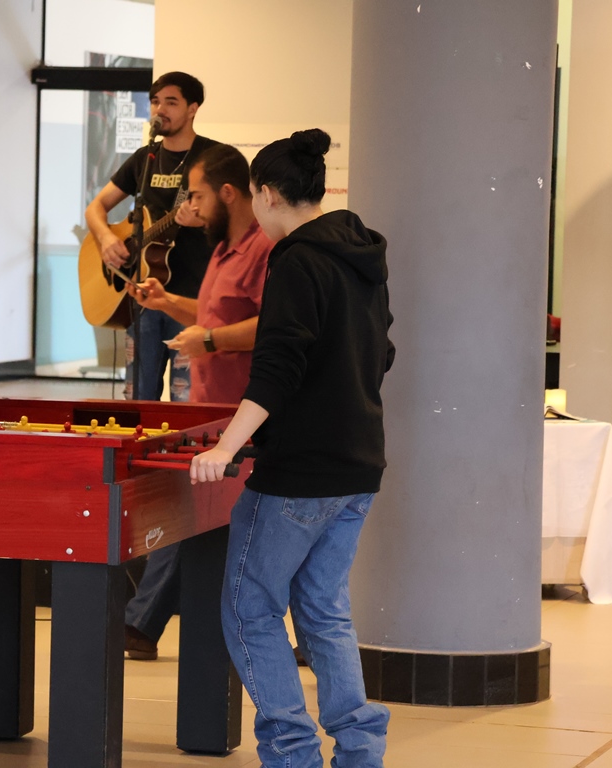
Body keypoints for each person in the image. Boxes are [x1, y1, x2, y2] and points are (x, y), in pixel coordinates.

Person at [191, 129, 395, 767]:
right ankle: (359, 752)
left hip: (300, 472)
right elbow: (382, 351)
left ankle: (291, 754)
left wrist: (225, 447)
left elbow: (278, 367)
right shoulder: (361, 254)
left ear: (267, 194)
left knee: (249, 608)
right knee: (324, 610)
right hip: (359, 464)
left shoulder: (297, 261)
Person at [121, 144, 272, 660]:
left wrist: (208, 341)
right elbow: (212, 317)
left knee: (196, 523)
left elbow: (270, 326)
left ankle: (140, 624)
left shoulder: (263, 249)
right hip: (208, 413)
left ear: (228, 193)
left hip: (240, 419)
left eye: (199, 196)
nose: (193, 207)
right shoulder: (223, 249)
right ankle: (142, 625)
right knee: (194, 522)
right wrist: (166, 302)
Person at [85, 71, 218, 402]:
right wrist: (106, 239)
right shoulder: (145, 159)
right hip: (143, 297)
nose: (160, 109)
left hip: (191, 300)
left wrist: (203, 220)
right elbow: (96, 208)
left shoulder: (213, 158)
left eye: (171, 102)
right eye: (156, 102)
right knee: (138, 400)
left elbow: (236, 218)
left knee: (187, 401)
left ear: (193, 108)